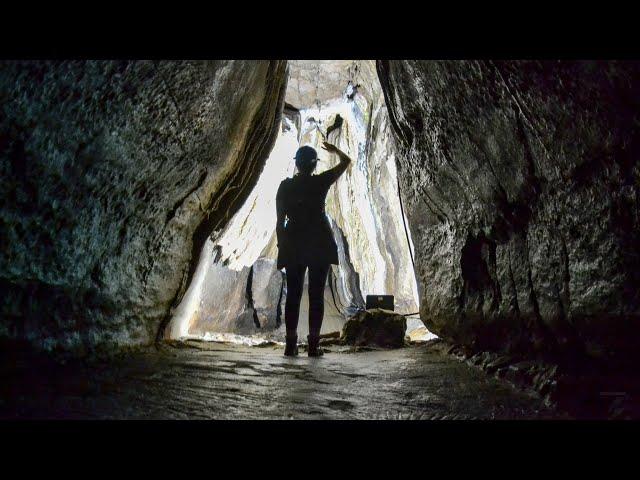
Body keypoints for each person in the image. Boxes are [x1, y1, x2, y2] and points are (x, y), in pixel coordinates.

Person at [276, 141, 352, 357]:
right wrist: (335, 150)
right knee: (316, 295)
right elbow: (346, 162)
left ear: (297, 165)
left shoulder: (285, 186)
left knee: (293, 295)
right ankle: (312, 345)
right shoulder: (320, 182)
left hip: (294, 241)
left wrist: (283, 246)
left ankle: (290, 345)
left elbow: (279, 221)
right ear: (313, 165)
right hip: (319, 241)